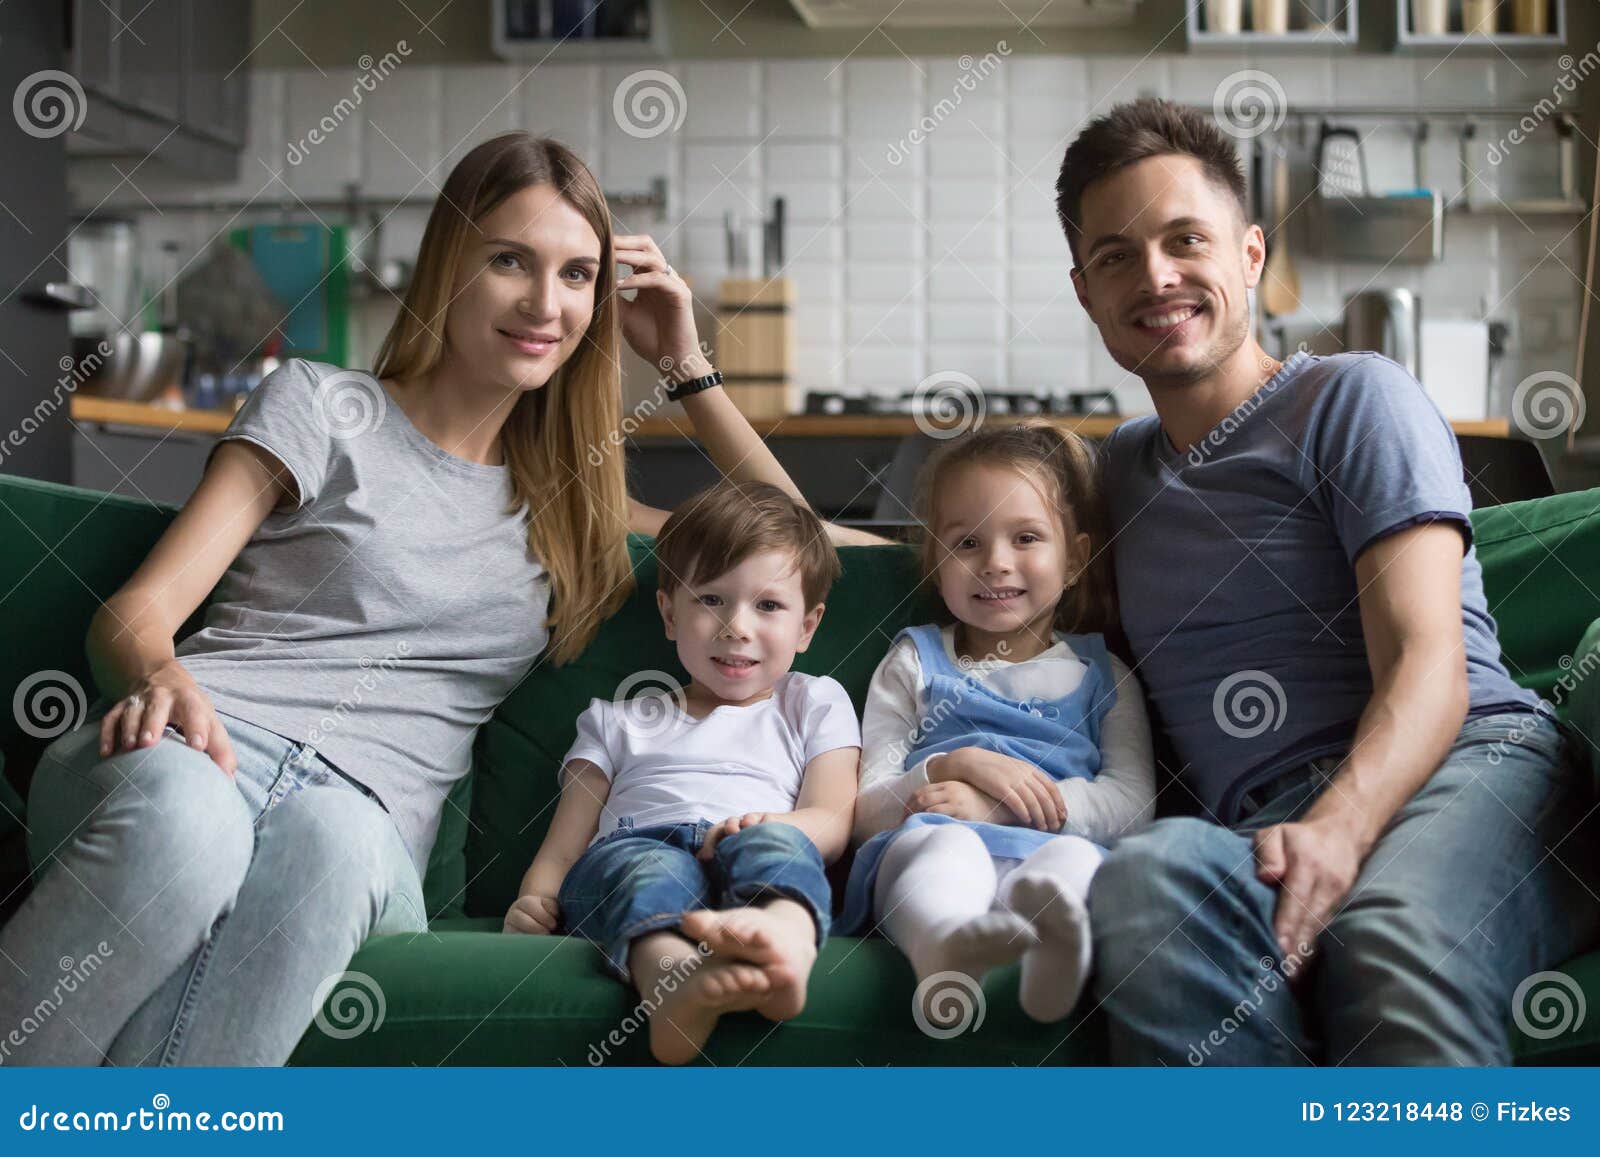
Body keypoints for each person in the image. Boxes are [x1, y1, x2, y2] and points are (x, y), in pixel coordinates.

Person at [0, 133, 877, 1067]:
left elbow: (806, 548)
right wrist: (162, 673)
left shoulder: (574, 502)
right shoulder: (319, 405)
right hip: (192, 753)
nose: (546, 303)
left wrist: (689, 373)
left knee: (328, 841)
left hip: (363, 819)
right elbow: (135, 614)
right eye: (511, 261)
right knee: (193, 824)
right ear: (449, 265)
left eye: (578, 274)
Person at [1057, 97, 1600, 1063]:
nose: (1156, 275)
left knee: (1387, 935)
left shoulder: (1354, 397)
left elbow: (1431, 661)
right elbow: (857, 551)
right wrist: (693, 385)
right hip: (1256, 822)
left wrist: (1341, 829)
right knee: (1145, 876)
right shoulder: (1115, 474)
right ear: (1085, 293)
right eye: (1114, 256)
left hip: (1465, 766)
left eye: (1188, 238)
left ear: (1251, 255)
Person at [504, 481, 860, 1064]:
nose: (736, 627)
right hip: (637, 847)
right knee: (642, 869)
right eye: (711, 600)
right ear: (670, 613)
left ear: (807, 627)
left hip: (753, 845)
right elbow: (566, 846)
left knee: (780, 845)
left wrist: (762, 825)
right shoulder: (615, 721)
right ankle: (670, 977)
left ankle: (786, 941)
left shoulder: (812, 702)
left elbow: (833, 818)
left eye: (768, 605)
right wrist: (534, 898)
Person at [838, 423, 1154, 1026]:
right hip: (930, 839)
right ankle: (944, 944)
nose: (996, 564)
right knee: (947, 846)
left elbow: (1135, 808)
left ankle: (1052, 953)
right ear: (934, 557)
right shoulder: (914, 661)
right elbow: (866, 810)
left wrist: (1002, 807)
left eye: (1027, 537)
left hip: (1052, 848)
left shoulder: (1104, 672)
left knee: (1078, 866)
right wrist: (950, 766)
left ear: (1075, 559)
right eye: (966, 544)